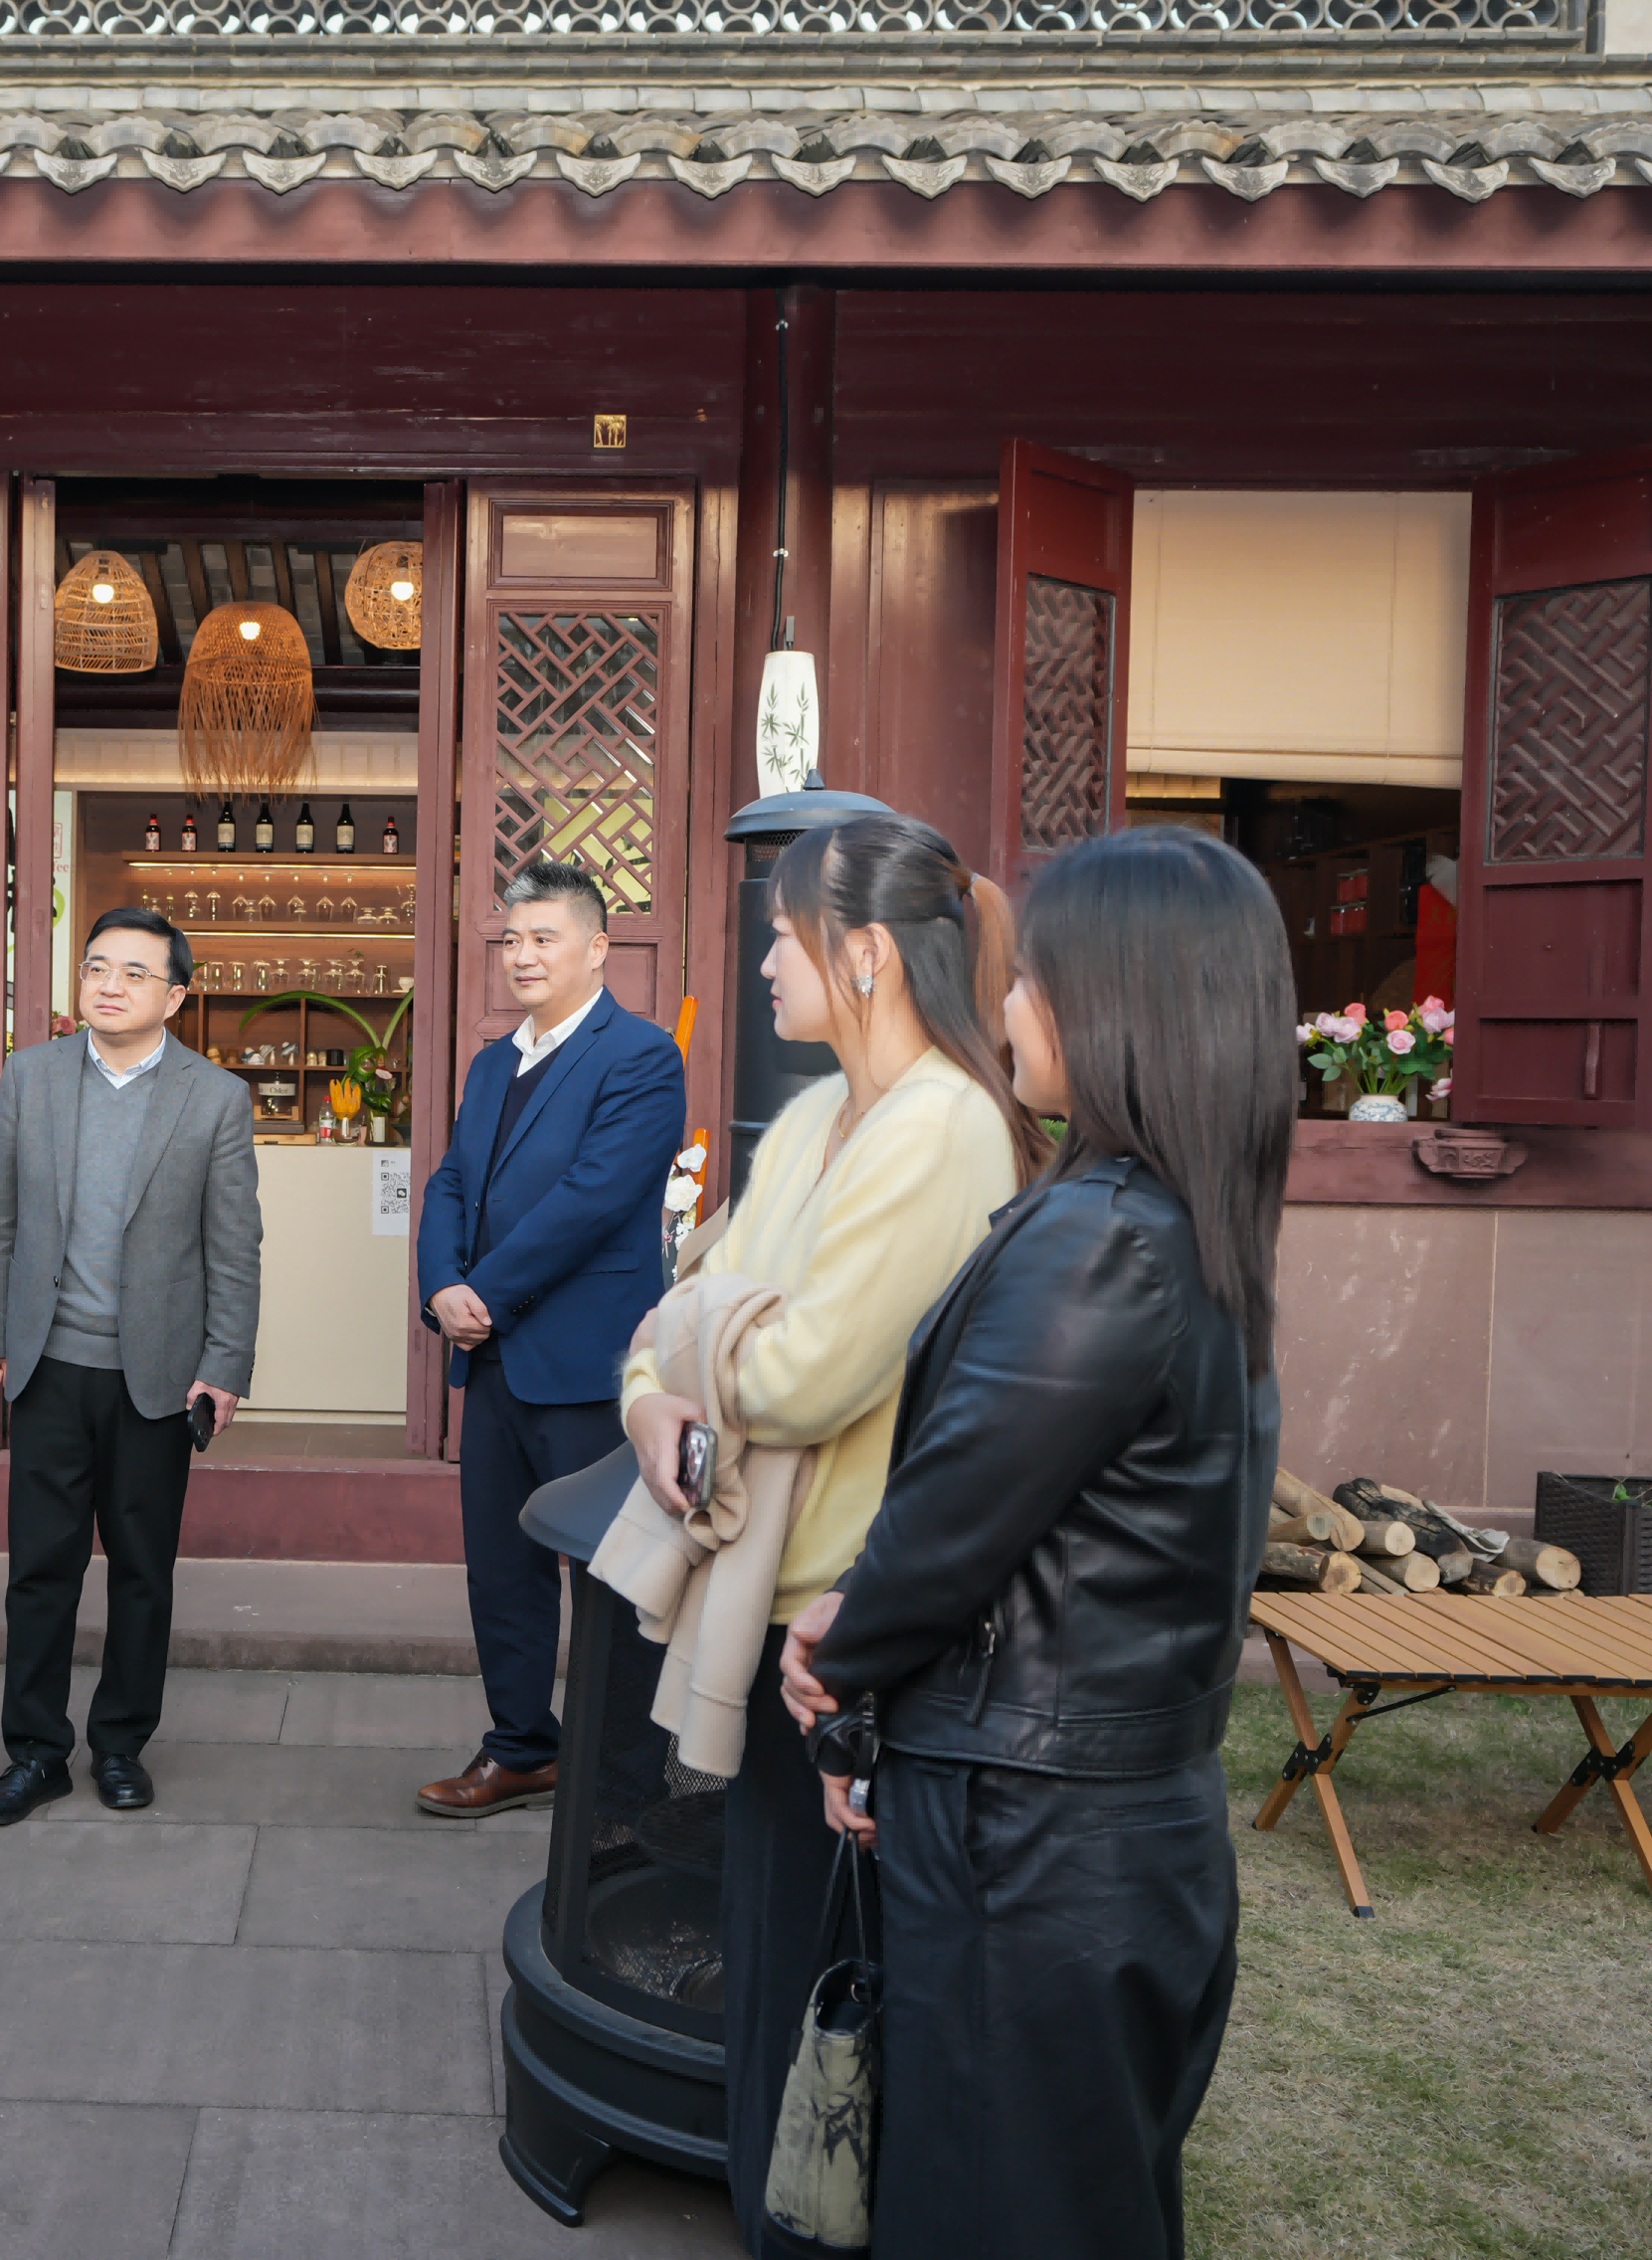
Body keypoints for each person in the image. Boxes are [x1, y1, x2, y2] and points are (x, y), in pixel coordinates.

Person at [780, 825, 1294, 2260]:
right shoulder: (1184, 1224)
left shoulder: (1102, 1239)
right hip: (1111, 1821)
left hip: (1036, 1842)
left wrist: (838, 1656)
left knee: (994, 2203)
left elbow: (956, 1515)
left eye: (1030, 979)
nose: (1004, 1005)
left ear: (1117, 1005)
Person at [616, 812, 1042, 2260]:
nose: (762, 969)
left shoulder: (943, 1125)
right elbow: (677, 1314)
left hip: (848, 1630)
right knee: (771, 1962)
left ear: (864, 954)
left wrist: (691, 1349)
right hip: (771, 1598)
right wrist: (649, 1394)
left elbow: (801, 1374)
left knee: (825, 1981)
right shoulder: (813, 1118)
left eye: (782, 941)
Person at [0, 905, 261, 1825]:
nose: (110, 985)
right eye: (97, 967)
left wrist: (225, 1363)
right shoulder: (31, 1076)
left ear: (174, 996)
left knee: (142, 1568)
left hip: (157, 1375)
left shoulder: (214, 1097)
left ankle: (122, 1743)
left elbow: (234, 1247)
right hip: (49, 1363)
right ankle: (35, 1752)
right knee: (39, 1569)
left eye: (136, 972)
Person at [412, 860, 687, 1817]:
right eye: (512, 939)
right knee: (502, 1568)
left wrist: (482, 1291)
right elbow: (452, 1181)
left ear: (597, 946)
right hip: (493, 1357)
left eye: (544, 937)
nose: (521, 955)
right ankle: (522, 1748)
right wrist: (441, 1286)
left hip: (588, 1363)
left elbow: (593, 1199)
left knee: (610, 1576)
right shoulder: (494, 1061)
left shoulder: (641, 1056)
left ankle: (625, 1782)